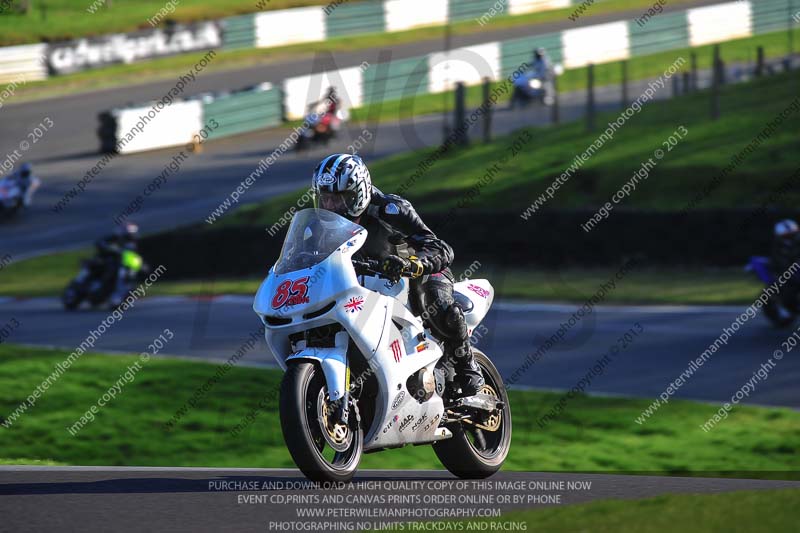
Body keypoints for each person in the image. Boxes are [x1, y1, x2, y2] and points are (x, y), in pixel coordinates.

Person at [310, 153, 485, 397]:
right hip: (369, 288)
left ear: (358, 193)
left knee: (438, 301)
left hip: (418, 275)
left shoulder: (390, 209)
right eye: (326, 199)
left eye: (339, 198)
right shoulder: (321, 228)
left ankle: (467, 365)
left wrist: (412, 264)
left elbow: (439, 248)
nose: (330, 207)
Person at [772, 219, 800, 310]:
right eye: (787, 236)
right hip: (787, 273)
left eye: (793, 235)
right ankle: (787, 309)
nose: (791, 238)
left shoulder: (797, 244)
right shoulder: (777, 248)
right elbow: (780, 262)